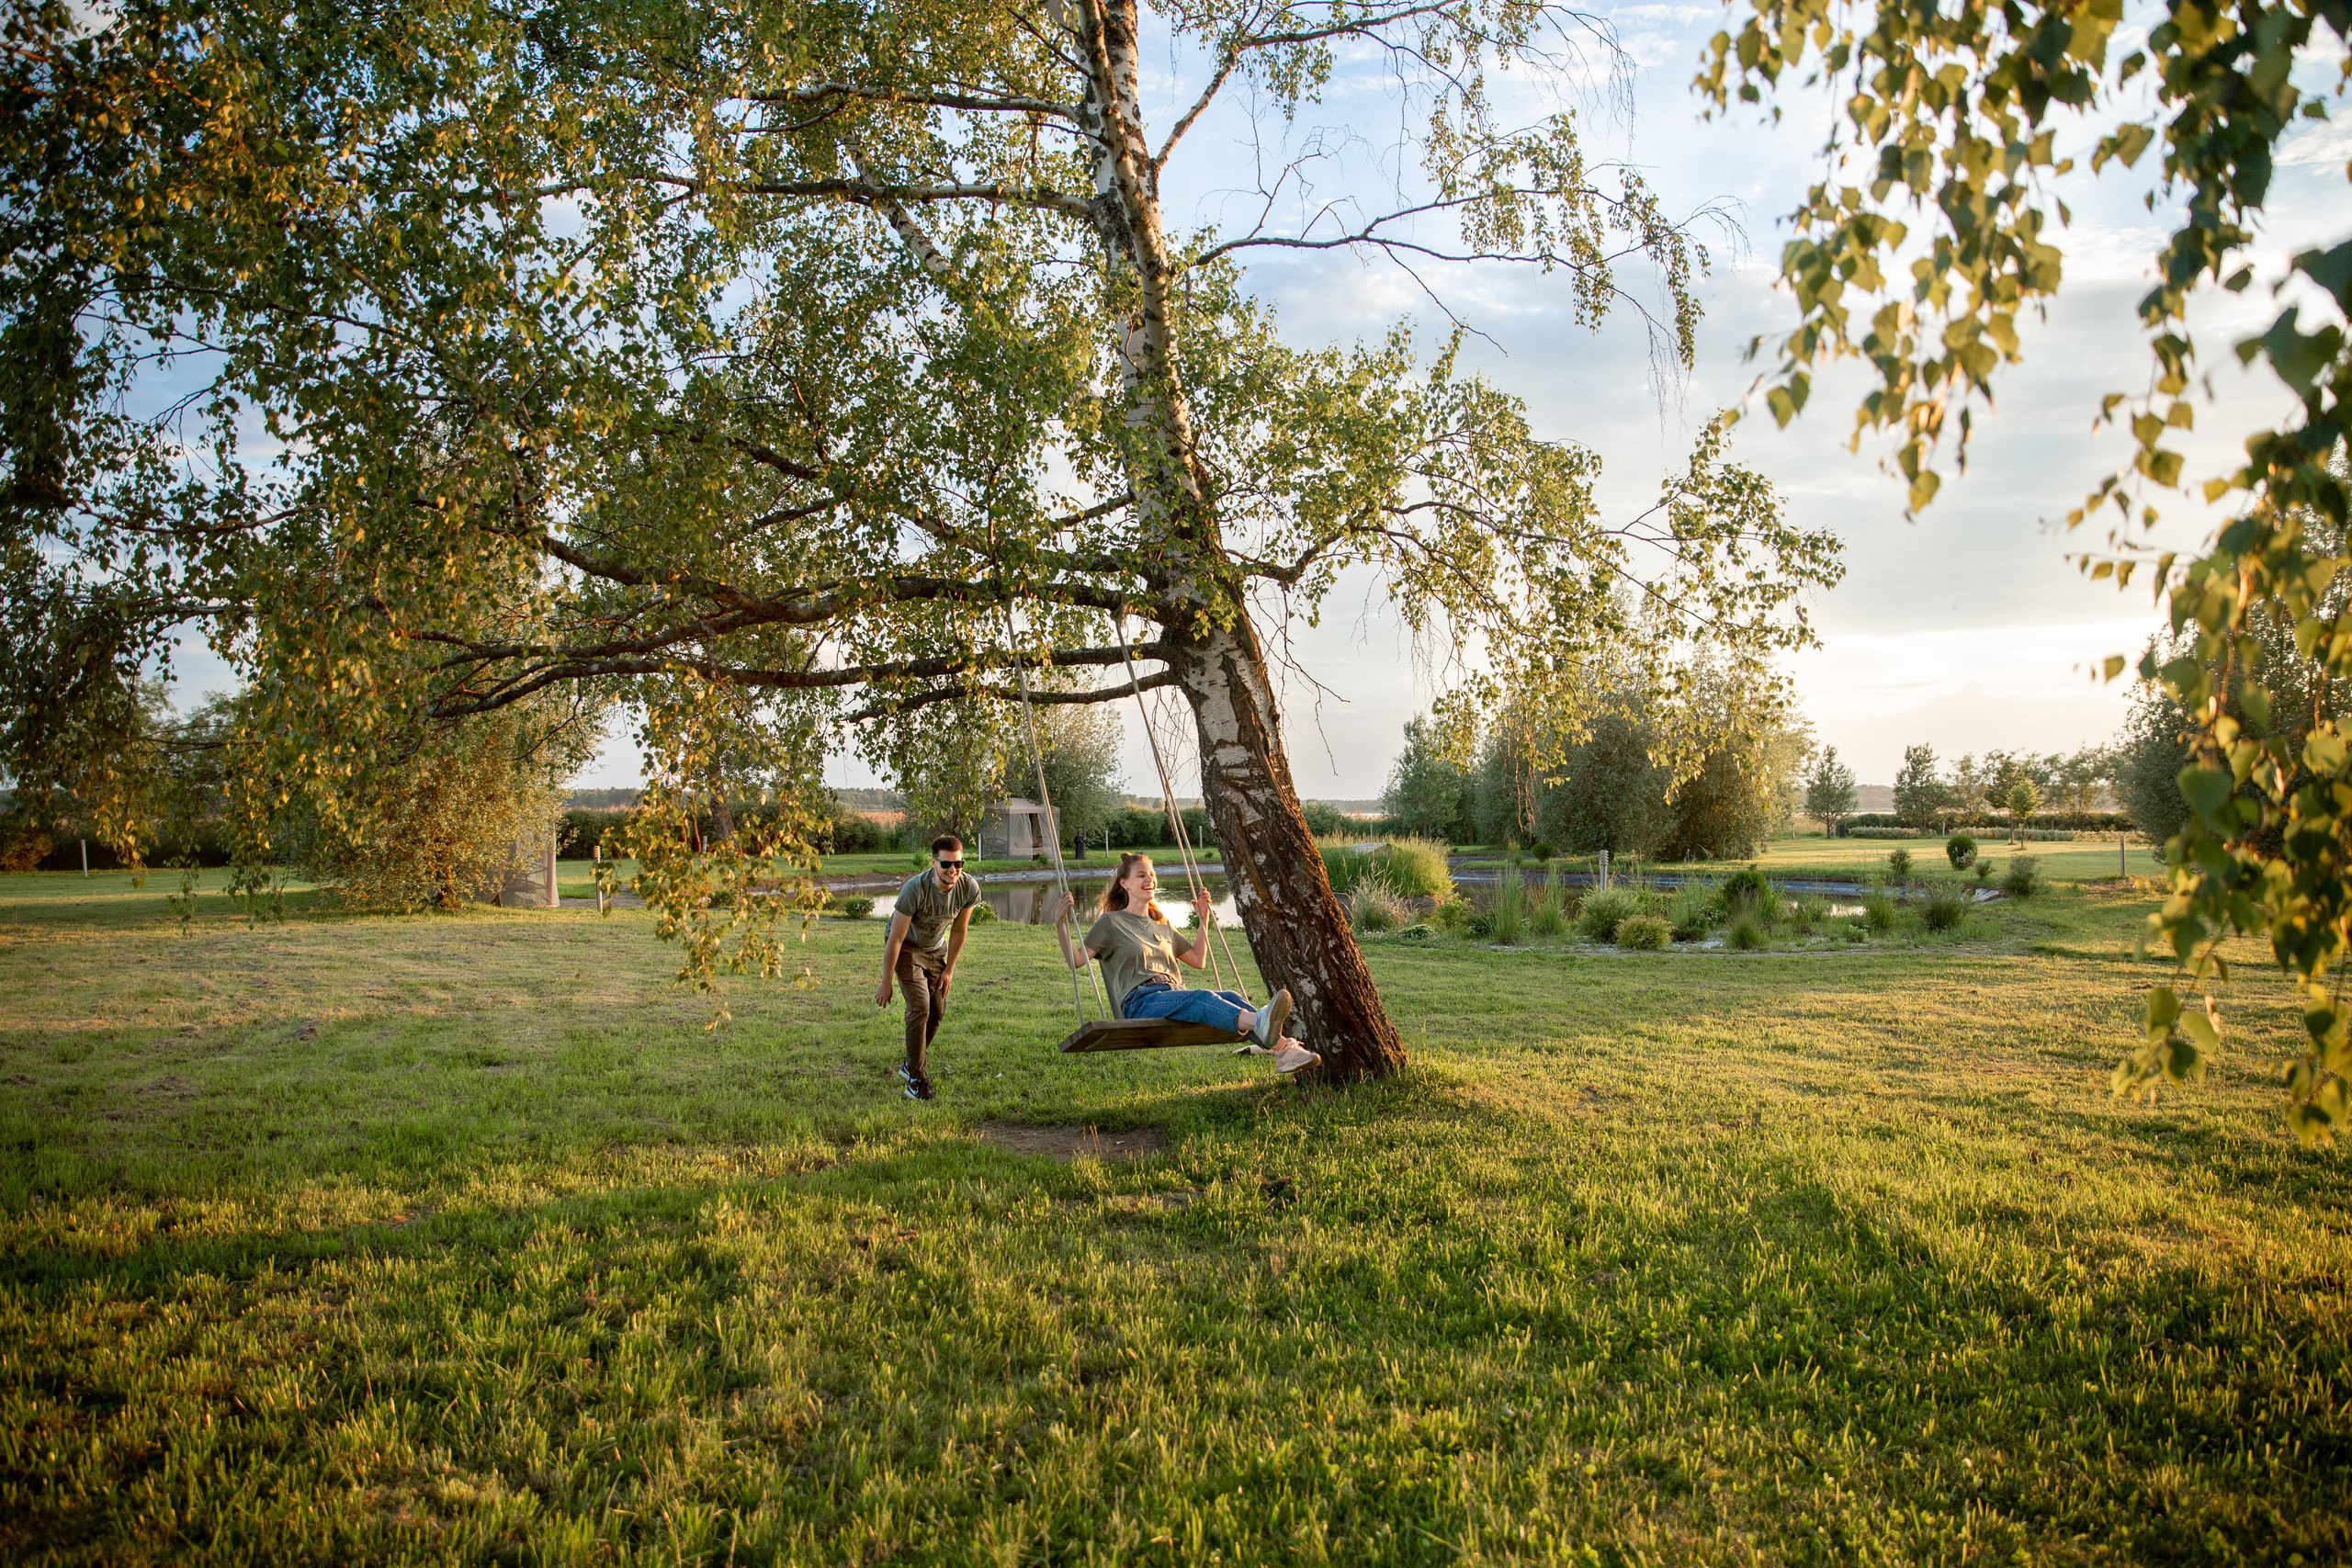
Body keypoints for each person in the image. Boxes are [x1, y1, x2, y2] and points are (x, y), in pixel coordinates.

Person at [1051, 852, 1320, 1076]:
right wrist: (1060, 924)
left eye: (1152, 874)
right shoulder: (1110, 923)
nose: (1150, 879)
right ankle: (1263, 1024)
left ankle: (1285, 1052)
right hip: (1139, 1002)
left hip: (1172, 994)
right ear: (1125, 883)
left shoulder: (1162, 924)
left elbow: (1197, 960)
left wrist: (1203, 920)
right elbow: (1076, 960)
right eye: (1141, 875)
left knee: (1229, 996)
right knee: (1202, 998)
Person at [876, 834, 983, 1100]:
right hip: (908, 949)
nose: (953, 870)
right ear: (934, 863)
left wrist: (949, 970)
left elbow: (960, 930)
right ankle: (916, 1079)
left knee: (936, 1013)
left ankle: (910, 1063)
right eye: (946, 865)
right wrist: (885, 981)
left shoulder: (968, 887)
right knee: (919, 1008)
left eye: (959, 864)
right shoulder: (915, 889)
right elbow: (896, 938)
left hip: (937, 949)